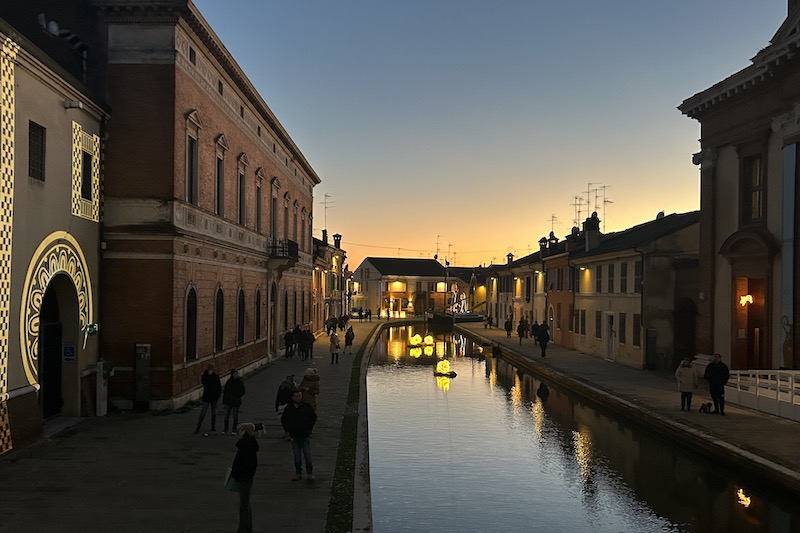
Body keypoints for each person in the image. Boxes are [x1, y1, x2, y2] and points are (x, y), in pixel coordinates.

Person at [281, 389, 317, 481]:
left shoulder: (306, 406)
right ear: (293, 397)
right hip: (294, 435)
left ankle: (310, 473)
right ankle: (298, 473)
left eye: (299, 396)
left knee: (307, 454)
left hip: (304, 434)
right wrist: (287, 430)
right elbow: (284, 419)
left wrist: (309, 428)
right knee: (297, 456)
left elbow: (313, 417)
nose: (298, 398)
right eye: (296, 396)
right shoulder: (289, 408)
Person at [230, 422, 258, 533]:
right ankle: (247, 526)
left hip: (244, 477)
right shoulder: (247, 444)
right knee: (245, 502)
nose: (239, 432)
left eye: (241, 430)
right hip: (244, 476)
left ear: (246, 432)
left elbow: (247, 463)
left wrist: (239, 474)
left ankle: (243, 528)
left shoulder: (246, 446)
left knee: (243, 504)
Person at [194, 364, 221, 434]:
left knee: (214, 413)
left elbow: (219, 386)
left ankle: (213, 426)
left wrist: (218, 395)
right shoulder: (205, 376)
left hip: (214, 397)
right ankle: (198, 427)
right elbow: (205, 383)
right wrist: (209, 376)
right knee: (203, 412)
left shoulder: (216, 376)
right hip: (207, 396)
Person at [223, 369, 246, 434]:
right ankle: (225, 429)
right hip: (228, 401)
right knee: (226, 416)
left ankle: (234, 429)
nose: (236, 375)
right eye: (235, 374)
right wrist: (224, 401)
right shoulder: (229, 382)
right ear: (232, 374)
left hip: (235, 401)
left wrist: (237, 396)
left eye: (237, 373)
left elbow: (243, 391)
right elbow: (225, 392)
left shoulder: (239, 382)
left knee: (235, 416)